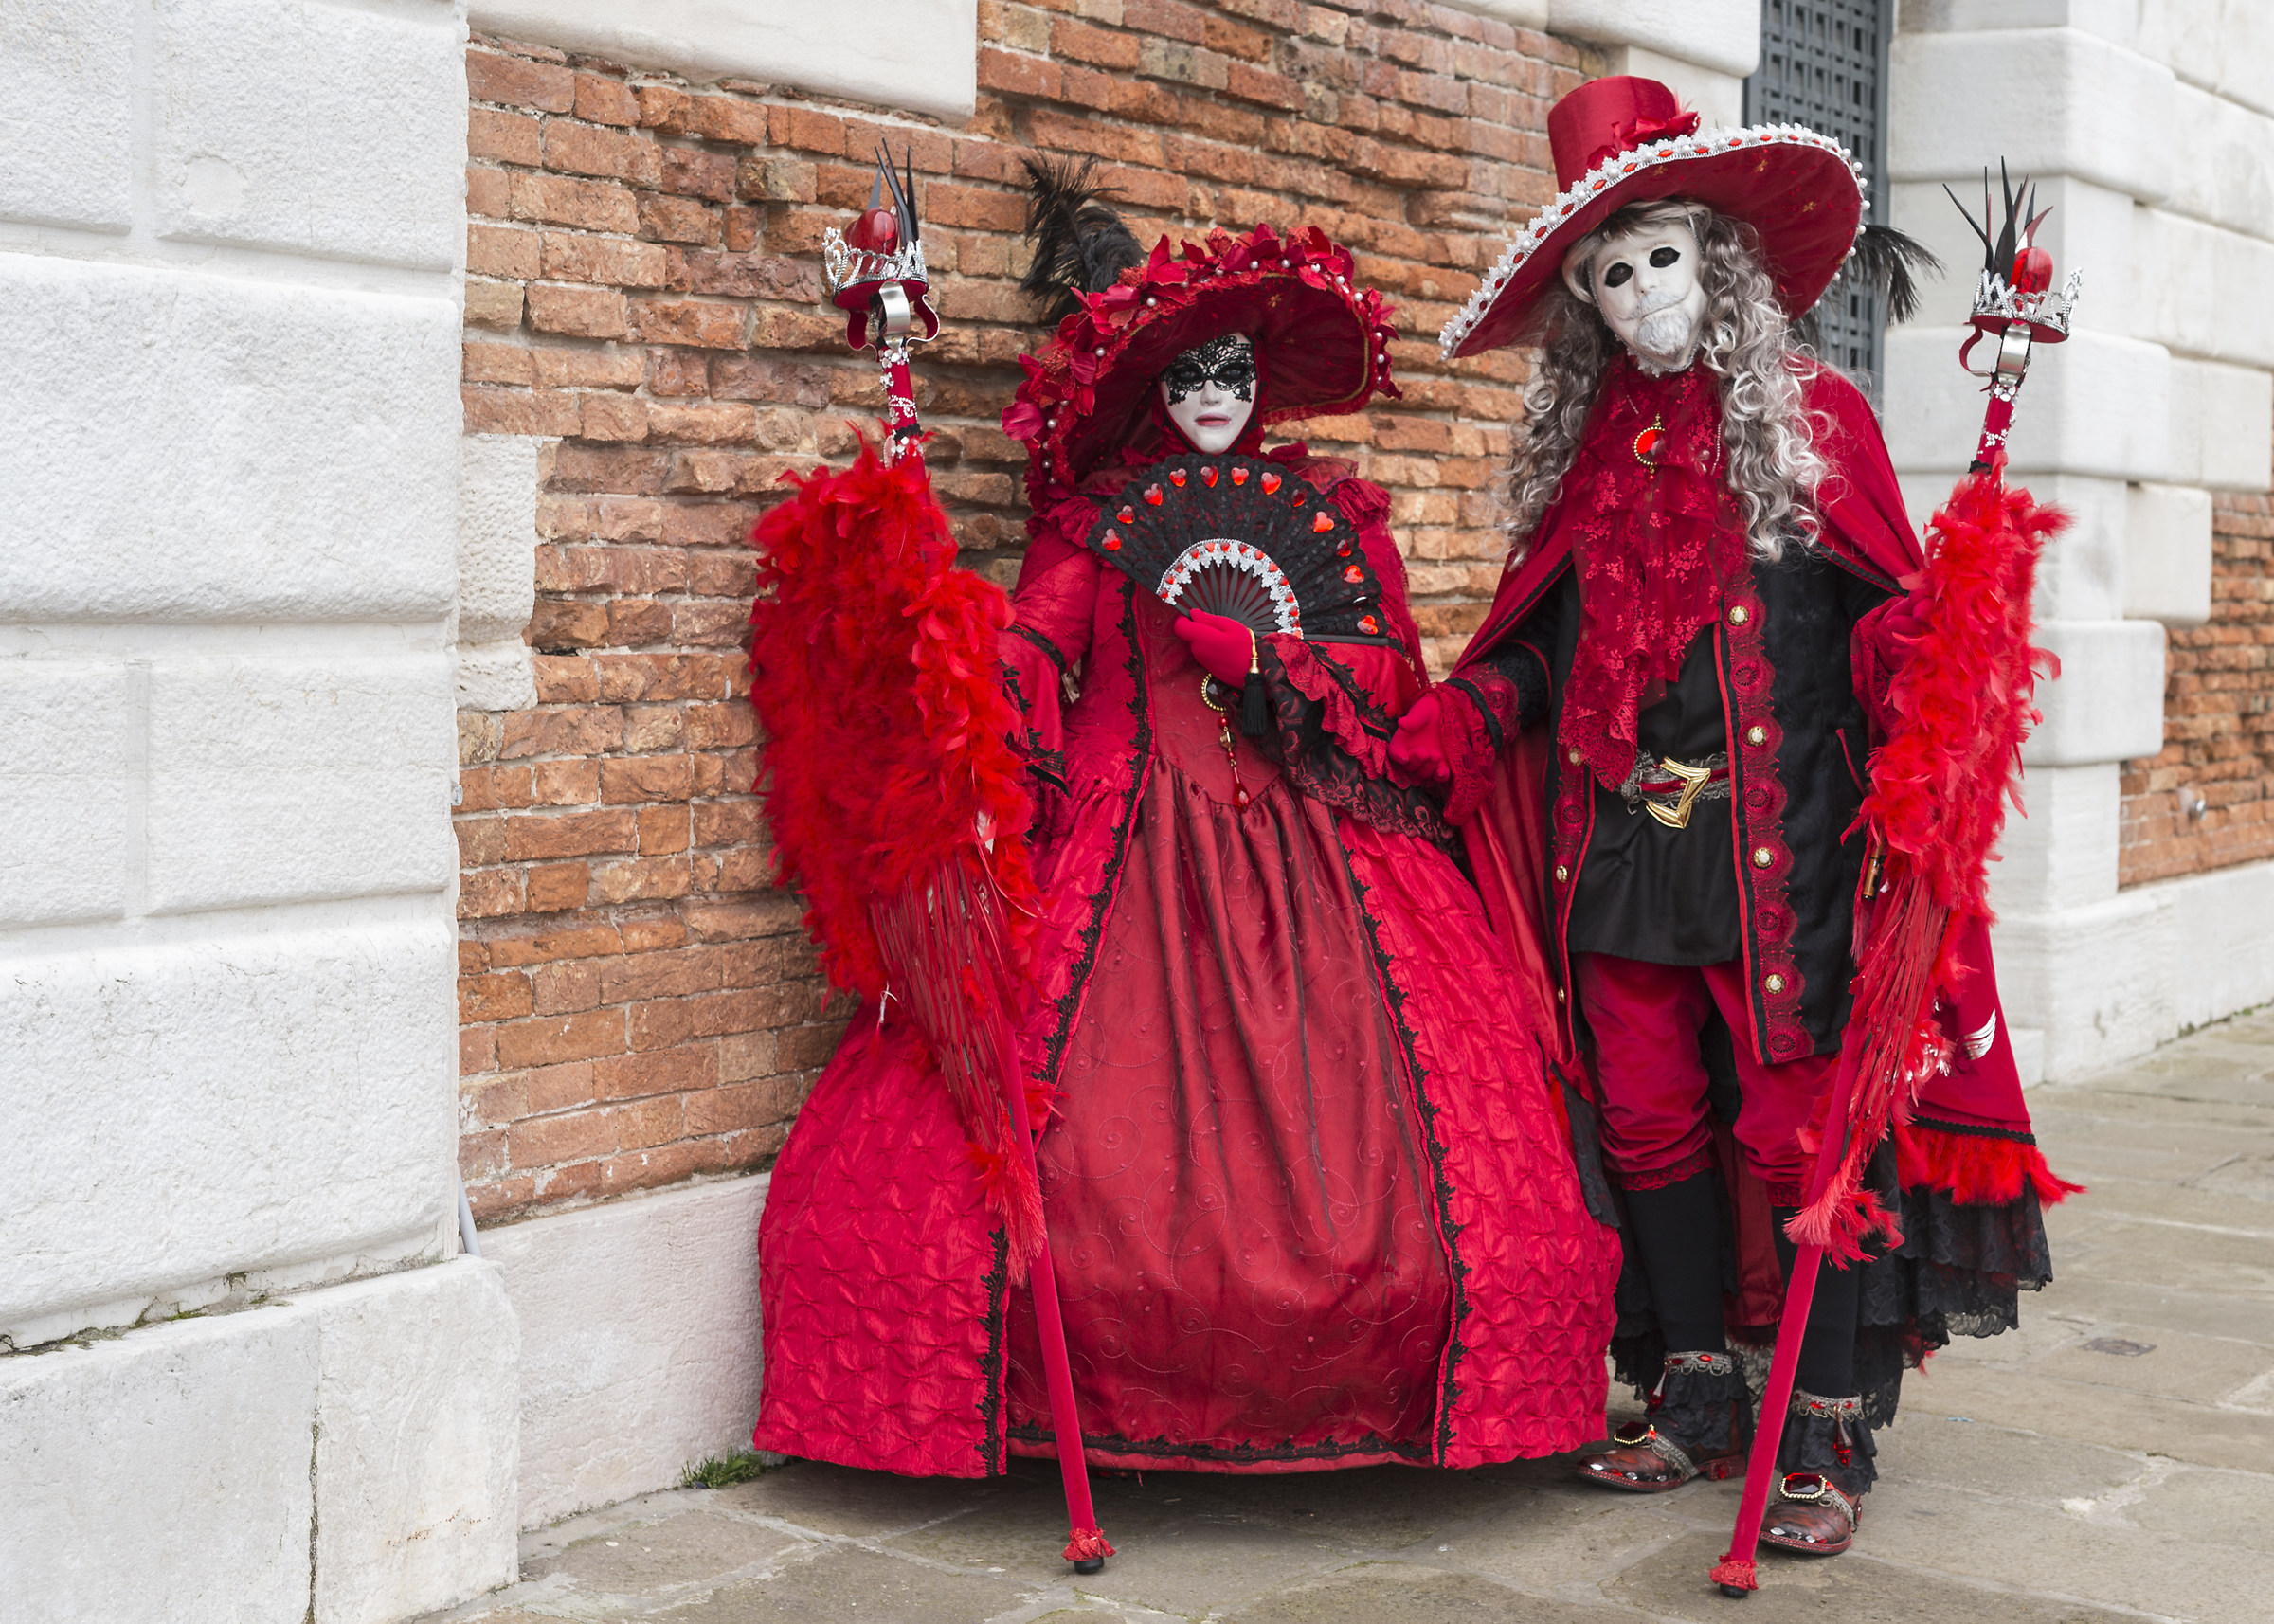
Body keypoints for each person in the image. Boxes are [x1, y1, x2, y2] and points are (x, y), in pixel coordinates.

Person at [752, 164, 1619, 1483]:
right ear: (1153, 390)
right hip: (1122, 834)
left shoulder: (1332, 522)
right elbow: (1035, 656)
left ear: (1261, 384)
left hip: (1321, 841)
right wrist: (946, 655)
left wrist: (1274, 663)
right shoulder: (1097, 528)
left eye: (1232, 373)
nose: (1213, 396)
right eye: (1188, 376)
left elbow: (1385, 681)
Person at [1396, 78, 2078, 1558]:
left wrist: (1945, 638)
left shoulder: (1818, 420)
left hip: (1786, 844)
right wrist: (1473, 707)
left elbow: (1882, 620)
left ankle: (1822, 1430)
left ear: (1715, 260)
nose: (1643, 289)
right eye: (1610, 270)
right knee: (1644, 1113)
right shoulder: (1587, 453)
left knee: (1795, 1129)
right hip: (1622, 844)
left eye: (1661, 254)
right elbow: (1542, 640)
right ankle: (1695, 1392)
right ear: (1585, 306)